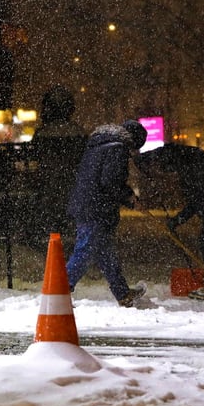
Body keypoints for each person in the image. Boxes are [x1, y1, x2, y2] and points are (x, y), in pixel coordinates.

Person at [134, 143, 204, 300]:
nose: (167, 175)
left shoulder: (190, 166)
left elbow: (198, 199)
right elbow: (197, 197)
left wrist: (178, 220)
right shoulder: (182, 157)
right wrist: (142, 161)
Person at [65, 119, 148, 307]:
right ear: (133, 141)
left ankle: (123, 293)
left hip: (89, 204)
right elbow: (110, 181)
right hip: (95, 209)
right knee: (85, 250)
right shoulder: (118, 148)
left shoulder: (99, 144)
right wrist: (129, 197)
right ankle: (59, 291)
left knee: (105, 252)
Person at [29, 85, 87, 238]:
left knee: (51, 228)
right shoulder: (79, 133)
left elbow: (34, 157)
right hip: (71, 186)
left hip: (49, 187)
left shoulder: (42, 134)